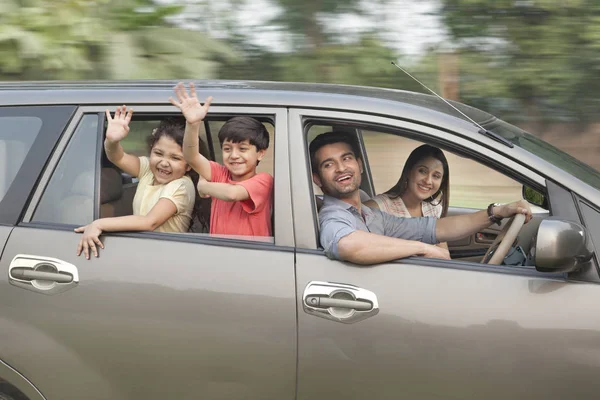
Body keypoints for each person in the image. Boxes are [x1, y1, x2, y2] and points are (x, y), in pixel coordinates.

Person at [309, 131, 532, 264]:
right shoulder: (332, 216)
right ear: (317, 178)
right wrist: (422, 248)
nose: (340, 168)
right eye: (328, 164)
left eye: (346, 159)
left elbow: (437, 228)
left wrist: (496, 212)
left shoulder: (371, 215)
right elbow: (347, 243)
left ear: (359, 165)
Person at [75, 107, 199, 259]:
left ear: (189, 165)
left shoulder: (181, 185)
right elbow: (118, 157)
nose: (164, 163)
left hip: (168, 258)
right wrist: (112, 141)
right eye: (158, 153)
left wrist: (98, 224)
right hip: (143, 251)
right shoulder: (148, 169)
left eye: (175, 158)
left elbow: (150, 222)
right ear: (151, 150)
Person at [171, 82, 274, 237]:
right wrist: (192, 124)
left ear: (260, 153)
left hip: (251, 257)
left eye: (242, 149)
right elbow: (191, 156)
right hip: (220, 254)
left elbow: (232, 193)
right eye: (227, 149)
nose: (233, 155)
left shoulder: (264, 181)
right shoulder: (220, 174)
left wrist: (204, 188)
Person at [364, 144, 449, 249]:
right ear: (409, 171)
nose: (428, 181)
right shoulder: (379, 207)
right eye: (422, 171)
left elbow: (444, 255)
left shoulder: (434, 209)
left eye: (436, 176)